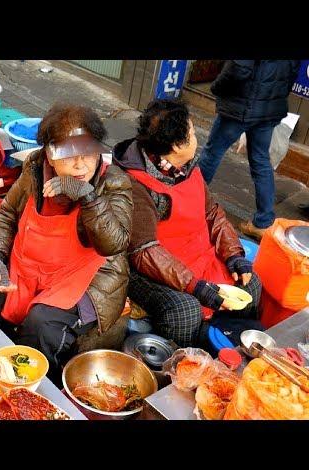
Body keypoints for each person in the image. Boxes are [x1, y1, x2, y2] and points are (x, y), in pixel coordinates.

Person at [0, 104, 133, 384]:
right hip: (30, 265)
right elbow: (8, 212)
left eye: (88, 152)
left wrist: (87, 196)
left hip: (87, 277)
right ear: (50, 153)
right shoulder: (35, 169)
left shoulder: (114, 183)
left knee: (41, 325)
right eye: (69, 155)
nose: (81, 164)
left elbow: (114, 244)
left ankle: (35, 389)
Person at [113, 99, 263, 348]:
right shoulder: (136, 183)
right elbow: (145, 251)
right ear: (175, 145)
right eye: (192, 133)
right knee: (185, 310)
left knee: (250, 283)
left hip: (198, 256)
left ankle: (233, 352)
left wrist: (234, 255)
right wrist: (196, 287)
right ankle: (184, 362)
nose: (196, 138)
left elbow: (212, 213)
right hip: (152, 269)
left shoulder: (185, 166)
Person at [197, 60, 301, 240]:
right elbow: (290, 75)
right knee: (261, 161)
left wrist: (216, 88)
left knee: (212, 152)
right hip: (268, 109)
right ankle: (263, 221)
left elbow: (238, 69)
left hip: (241, 107)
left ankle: (188, 199)